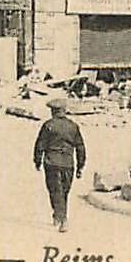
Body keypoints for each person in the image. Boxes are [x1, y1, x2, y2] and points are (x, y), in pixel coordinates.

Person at [33, 97, 86, 232]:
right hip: (68, 163)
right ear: (64, 110)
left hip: (51, 162)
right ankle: (59, 215)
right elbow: (80, 147)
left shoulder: (48, 125)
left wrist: (37, 161)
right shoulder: (73, 126)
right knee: (64, 191)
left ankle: (62, 219)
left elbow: (40, 145)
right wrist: (81, 166)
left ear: (53, 111)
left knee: (54, 190)